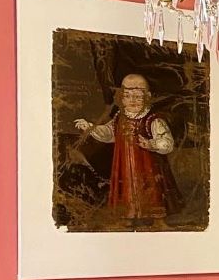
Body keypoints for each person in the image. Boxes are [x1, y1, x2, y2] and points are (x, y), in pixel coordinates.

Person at [74, 74, 178, 225]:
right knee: (126, 190)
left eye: (137, 96)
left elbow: (167, 143)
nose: (132, 100)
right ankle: (128, 217)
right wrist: (91, 128)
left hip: (148, 167)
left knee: (153, 191)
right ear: (121, 98)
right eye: (127, 96)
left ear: (147, 97)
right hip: (125, 166)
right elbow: (109, 134)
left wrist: (151, 144)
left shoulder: (153, 120)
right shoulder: (119, 117)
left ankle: (158, 221)